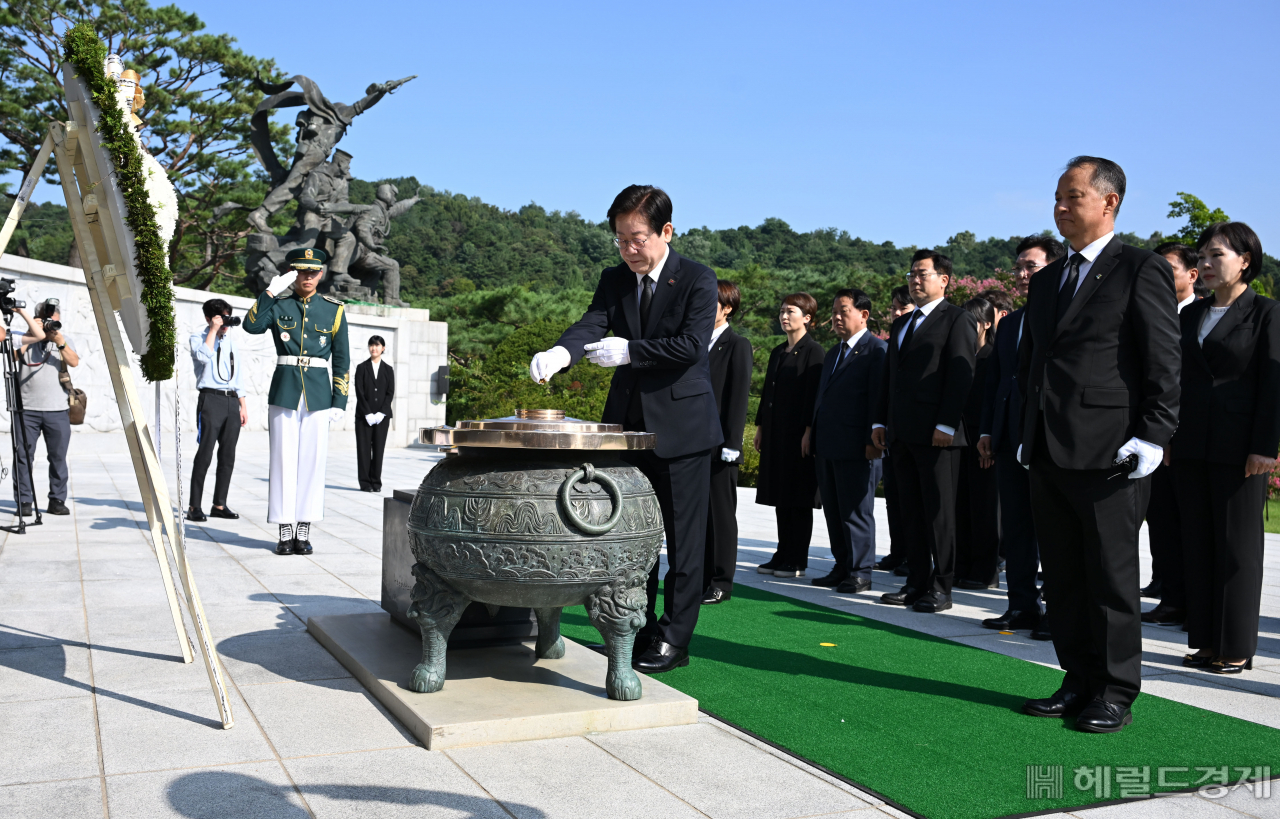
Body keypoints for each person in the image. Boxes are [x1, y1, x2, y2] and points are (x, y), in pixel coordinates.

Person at [530, 185, 721, 674]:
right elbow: (592, 323)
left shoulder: (697, 279)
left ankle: (675, 637)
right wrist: (562, 353)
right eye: (620, 240)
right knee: (633, 536)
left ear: (665, 232)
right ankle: (637, 626)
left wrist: (631, 351)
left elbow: (691, 347)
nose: (628, 250)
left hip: (683, 431)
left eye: (637, 239)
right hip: (630, 429)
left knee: (682, 541)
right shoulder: (615, 279)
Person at [1018, 157, 1181, 733]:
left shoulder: (1140, 269)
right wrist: (1025, 433)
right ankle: (1077, 678)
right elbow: (1033, 365)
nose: (1060, 207)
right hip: (1047, 450)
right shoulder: (1046, 280)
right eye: (1057, 197)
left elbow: (1164, 358)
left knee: (1110, 577)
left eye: (1073, 196)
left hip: (1112, 451)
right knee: (1062, 574)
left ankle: (1115, 691)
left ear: (1109, 203)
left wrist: (1155, 434)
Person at [1171, 222, 1278, 675]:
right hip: (1190, 445)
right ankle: (1206, 640)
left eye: (1217, 255)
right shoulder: (1189, 315)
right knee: (1196, 544)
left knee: (1237, 549)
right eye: (1202, 256)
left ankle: (1235, 647)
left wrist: (1264, 447)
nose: (1206, 264)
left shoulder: (1267, 313)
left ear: (1245, 261)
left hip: (1240, 450)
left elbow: (1273, 386)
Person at [872, 251, 977, 613]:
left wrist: (946, 423)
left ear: (944, 279)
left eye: (922, 274)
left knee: (939, 514)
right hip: (901, 433)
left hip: (938, 435)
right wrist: (880, 421)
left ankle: (941, 587)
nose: (914, 280)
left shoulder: (957, 319)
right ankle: (915, 581)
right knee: (910, 512)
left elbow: (961, 375)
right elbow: (889, 379)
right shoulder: (902, 325)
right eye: (911, 274)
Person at [978, 235, 1064, 640]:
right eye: (1019, 268)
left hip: (1050, 439)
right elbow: (996, 382)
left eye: (1031, 266)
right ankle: (1021, 605)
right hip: (1010, 436)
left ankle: (1057, 610)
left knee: (1053, 529)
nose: (1023, 274)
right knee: (1015, 526)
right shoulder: (1009, 322)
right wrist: (987, 432)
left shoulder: (1065, 316)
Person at [243, 247, 351, 556]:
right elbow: (251, 326)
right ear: (294, 274)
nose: (307, 276)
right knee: (282, 461)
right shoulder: (279, 305)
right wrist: (269, 291)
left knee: (312, 464)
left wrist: (339, 401)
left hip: (318, 394)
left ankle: (304, 527)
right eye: (302, 271)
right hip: (285, 391)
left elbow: (342, 360)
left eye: (312, 272)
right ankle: (284, 529)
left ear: (321, 274)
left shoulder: (334, 309)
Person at [1140, 241, 1201, 624]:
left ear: (1192, 275)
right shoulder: (1148, 312)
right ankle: (1170, 594)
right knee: (1160, 521)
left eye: (1170, 270)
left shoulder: (1201, 316)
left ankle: (1190, 601)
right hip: (1153, 439)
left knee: (1191, 527)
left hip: (1192, 439)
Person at [811, 288, 887, 594]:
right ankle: (841, 564)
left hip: (859, 444)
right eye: (834, 311)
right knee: (834, 509)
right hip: (829, 443)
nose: (836, 317)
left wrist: (874, 439)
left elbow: (878, 399)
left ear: (863, 315)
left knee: (857, 509)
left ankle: (861, 570)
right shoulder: (834, 351)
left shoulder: (875, 350)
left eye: (843, 311)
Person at [752, 293, 825, 579]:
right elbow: (766, 393)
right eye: (781, 311)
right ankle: (782, 551)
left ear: (807, 317)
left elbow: (812, 397)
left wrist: (809, 431)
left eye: (790, 311)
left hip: (798, 436)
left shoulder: (814, 351)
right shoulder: (778, 351)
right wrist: (759, 427)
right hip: (775, 433)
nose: (784, 316)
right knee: (781, 496)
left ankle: (797, 558)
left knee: (798, 498)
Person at [701, 281, 753, 605]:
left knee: (721, 515)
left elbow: (738, 398)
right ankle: (703, 577)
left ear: (727, 308)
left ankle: (722, 581)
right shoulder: (695, 342)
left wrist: (732, 443)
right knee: (700, 516)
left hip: (722, 445)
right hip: (694, 443)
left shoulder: (738, 344)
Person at [187, 299, 247, 522]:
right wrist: (212, 330)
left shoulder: (231, 342)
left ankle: (219, 504)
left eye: (227, 317)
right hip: (210, 399)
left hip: (231, 401)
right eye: (221, 318)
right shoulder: (198, 337)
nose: (225, 323)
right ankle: (194, 506)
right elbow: (203, 357)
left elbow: (237, 375)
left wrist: (243, 405)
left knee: (228, 456)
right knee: (205, 453)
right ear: (208, 318)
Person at [954, 297, 999, 589]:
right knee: (961, 506)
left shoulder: (993, 357)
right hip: (959, 440)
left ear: (985, 324)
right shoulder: (962, 357)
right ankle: (963, 565)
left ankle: (986, 572)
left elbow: (993, 403)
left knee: (984, 509)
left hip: (982, 440)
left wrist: (989, 439)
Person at [14, 299, 75, 516]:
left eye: (55, 322)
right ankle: (24, 501)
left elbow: (74, 361)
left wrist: (58, 340)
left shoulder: (64, 340)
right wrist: (34, 332)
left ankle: (57, 500)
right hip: (26, 410)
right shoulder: (25, 339)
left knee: (58, 458)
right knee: (23, 456)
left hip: (57, 410)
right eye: (48, 322)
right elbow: (13, 356)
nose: (52, 326)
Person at [876, 285, 915, 576]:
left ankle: (913, 557)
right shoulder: (895, 336)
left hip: (919, 432)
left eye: (903, 308)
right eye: (894, 308)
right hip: (893, 431)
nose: (897, 313)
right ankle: (897, 550)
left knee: (914, 502)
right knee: (894, 497)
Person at [355, 335, 395, 493]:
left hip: (382, 418)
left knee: (378, 450)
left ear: (383, 348)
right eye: (371, 345)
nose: (374, 348)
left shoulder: (388, 370)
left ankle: (376, 482)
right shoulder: (361, 368)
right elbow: (359, 392)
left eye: (377, 345)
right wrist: (367, 413)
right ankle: (365, 483)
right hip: (364, 417)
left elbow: (390, 393)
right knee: (363, 450)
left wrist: (381, 413)